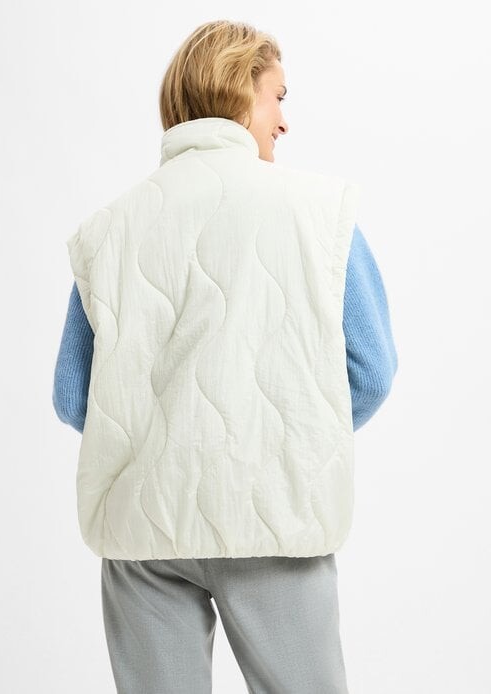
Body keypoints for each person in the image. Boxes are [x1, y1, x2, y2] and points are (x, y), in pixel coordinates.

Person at [52, 19, 398, 694]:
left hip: (143, 533)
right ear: (240, 93)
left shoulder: (107, 229)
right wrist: (284, 440)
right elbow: (371, 372)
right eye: (278, 97)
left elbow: (73, 396)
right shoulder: (322, 214)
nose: (285, 121)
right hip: (275, 519)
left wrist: (163, 442)